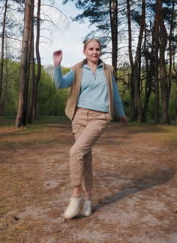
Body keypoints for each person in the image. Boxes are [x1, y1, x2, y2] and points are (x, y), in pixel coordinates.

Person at [53, 38, 126, 219]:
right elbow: (60, 84)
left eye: (98, 49)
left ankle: (75, 196)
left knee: (75, 152)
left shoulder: (107, 71)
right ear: (84, 51)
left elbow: (114, 94)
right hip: (79, 117)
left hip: (100, 117)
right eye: (91, 49)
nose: (95, 52)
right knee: (84, 157)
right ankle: (87, 200)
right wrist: (56, 66)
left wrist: (121, 113)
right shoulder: (77, 70)